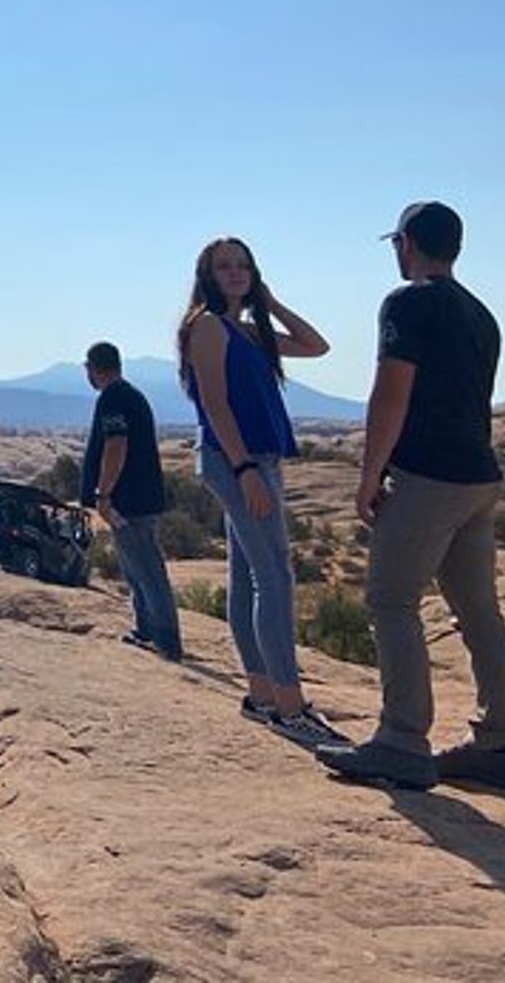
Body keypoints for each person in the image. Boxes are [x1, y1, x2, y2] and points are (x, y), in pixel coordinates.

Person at [317, 203, 505, 790]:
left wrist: (369, 475)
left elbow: (391, 395)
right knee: (479, 609)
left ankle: (402, 741)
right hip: (479, 478)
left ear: (406, 243)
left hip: (429, 477)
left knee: (391, 600)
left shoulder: (407, 303)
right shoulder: (481, 313)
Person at [179, 237, 346, 747]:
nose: (234, 272)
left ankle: (262, 695)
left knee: (249, 574)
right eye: (223, 266)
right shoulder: (207, 327)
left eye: (242, 265)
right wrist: (246, 467)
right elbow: (215, 403)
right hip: (240, 460)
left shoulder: (246, 330)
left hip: (250, 460)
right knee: (275, 577)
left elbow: (318, 345)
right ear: (206, 276)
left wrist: (268, 303)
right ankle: (290, 706)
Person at [80, 342, 182, 660]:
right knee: (136, 569)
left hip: (129, 500)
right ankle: (145, 630)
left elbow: (116, 445)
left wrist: (104, 492)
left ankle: (166, 641)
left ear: (93, 369)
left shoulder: (113, 398)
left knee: (147, 570)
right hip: (139, 497)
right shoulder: (130, 395)